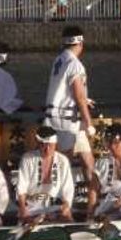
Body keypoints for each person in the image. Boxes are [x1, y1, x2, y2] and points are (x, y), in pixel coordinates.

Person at [44, 26, 95, 186]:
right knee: (64, 162)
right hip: (67, 120)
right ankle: (60, 198)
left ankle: (93, 195)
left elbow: (66, 90)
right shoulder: (75, 64)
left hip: (57, 116)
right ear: (80, 43)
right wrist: (89, 122)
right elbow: (79, 95)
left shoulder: (59, 60)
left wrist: (84, 101)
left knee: (88, 159)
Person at [16, 126, 75, 223]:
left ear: (55, 144)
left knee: (68, 223)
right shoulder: (27, 159)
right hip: (32, 208)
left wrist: (66, 206)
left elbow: (68, 188)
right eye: (44, 145)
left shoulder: (62, 160)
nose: (47, 149)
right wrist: (23, 209)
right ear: (38, 143)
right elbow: (21, 187)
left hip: (56, 208)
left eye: (50, 146)